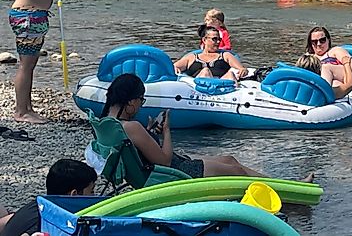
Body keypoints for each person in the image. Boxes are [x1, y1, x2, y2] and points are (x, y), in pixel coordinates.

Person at [100, 74, 268, 179]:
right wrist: (166, 131)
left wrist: (150, 134)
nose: (140, 106)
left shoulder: (107, 124)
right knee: (236, 171)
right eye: (140, 100)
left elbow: (141, 152)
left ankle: (278, 186)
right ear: (130, 101)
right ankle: (280, 191)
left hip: (161, 168)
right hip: (174, 173)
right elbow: (165, 161)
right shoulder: (132, 127)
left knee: (230, 160)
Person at [0, 159, 97, 236]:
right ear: (74, 194)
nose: (95, 196)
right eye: (91, 191)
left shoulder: (37, 206)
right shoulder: (50, 222)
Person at [173, 25, 246, 81]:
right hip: (198, 87)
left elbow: (241, 69)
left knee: (230, 74)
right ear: (204, 40)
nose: (218, 42)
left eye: (219, 39)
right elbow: (173, 67)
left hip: (221, 86)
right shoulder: (192, 57)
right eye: (214, 39)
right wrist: (175, 68)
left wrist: (243, 70)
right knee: (205, 71)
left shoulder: (226, 55)